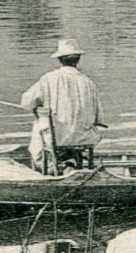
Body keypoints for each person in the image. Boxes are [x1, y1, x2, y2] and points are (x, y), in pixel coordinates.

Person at [20, 38, 105, 174]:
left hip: (56, 137)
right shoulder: (89, 83)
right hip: (84, 137)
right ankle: (70, 161)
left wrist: (37, 108)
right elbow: (98, 117)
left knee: (40, 124)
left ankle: (49, 167)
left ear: (60, 59)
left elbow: (27, 102)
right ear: (78, 59)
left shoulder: (48, 79)